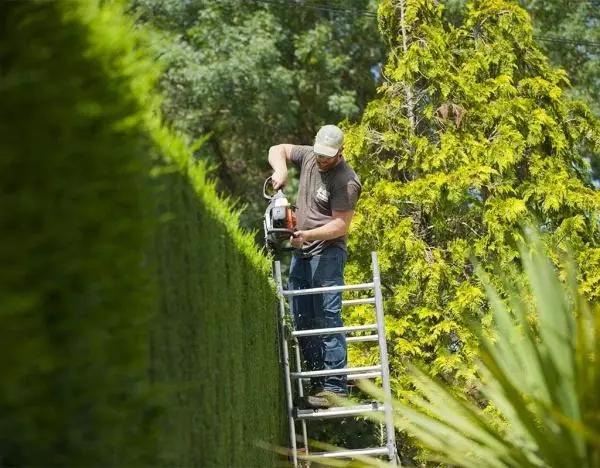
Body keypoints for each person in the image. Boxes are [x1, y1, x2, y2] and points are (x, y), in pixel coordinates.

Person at [268, 124, 362, 409]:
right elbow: (278, 149)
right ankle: (318, 384)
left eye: (327, 157)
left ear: (340, 152)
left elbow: (341, 225)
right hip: (303, 251)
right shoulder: (309, 156)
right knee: (302, 319)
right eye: (319, 154)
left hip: (328, 253)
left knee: (326, 318)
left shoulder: (346, 181)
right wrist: (281, 171)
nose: (321, 160)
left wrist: (308, 234)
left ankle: (335, 389)